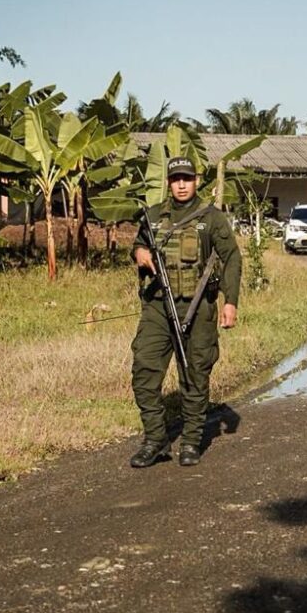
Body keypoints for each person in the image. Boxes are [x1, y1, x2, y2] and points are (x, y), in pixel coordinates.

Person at [129, 156, 242, 468]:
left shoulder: (211, 218)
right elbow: (138, 245)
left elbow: (231, 258)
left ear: (196, 181)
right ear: (169, 182)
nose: (181, 185)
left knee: (195, 375)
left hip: (198, 307)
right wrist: (139, 253)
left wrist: (230, 301)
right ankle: (156, 439)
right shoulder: (153, 216)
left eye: (187, 179)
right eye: (176, 179)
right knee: (144, 370)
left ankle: (191, 440)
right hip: (158, 307)